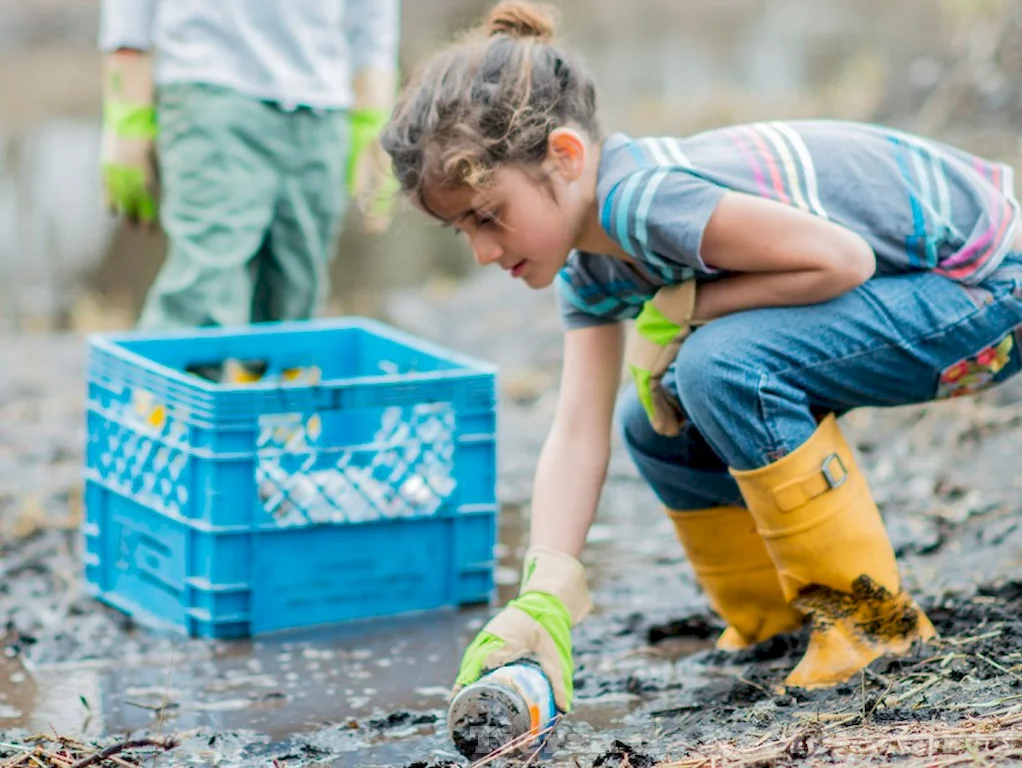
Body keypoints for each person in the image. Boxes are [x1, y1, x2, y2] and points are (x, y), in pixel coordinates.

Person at [380, 1, 1022, 713]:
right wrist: (545, 590)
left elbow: (842, 259)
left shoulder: (645, 199)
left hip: (986, 289)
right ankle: (769, 621)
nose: (482, 251)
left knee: (717, 365)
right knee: (648, 419)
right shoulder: (589, 265)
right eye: (460, 229)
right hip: (922, 298)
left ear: (564, 157)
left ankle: (870, 624)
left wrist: (680, 311)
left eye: (488, 214)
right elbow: (577, 431)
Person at [98, 0, 401, 329]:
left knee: (295, 296)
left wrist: (374, 112)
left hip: (322, 102)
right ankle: (171, 379)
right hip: (211, 83)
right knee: (206, 288)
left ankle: (271, 379)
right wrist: (125, 106)